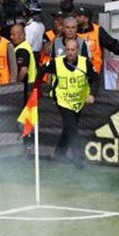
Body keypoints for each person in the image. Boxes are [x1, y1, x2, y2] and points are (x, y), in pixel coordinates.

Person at [43, 16, 96, 165]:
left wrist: (90, 91)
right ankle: (78, 157)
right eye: (67, 27)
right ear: (63, 28)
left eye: (73, 28)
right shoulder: (56, 43)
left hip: (78, 91)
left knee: (70, 125)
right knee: (71, 125)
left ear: (77, 29)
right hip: (61, 91)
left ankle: (59, 153)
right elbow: (51, 64)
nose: (70, 31)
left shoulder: (82, 44)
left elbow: (87, 66)